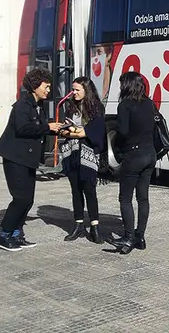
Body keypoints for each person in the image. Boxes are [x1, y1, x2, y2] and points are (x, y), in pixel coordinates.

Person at [0, 68, 62, 251]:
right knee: (21, 198)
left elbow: (40, 128)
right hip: (15, 158)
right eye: (46, 86)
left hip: (28, 159)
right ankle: (4, 237)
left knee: (28, 199)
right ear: (35, 86)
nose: (48, 90)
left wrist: (57, 129)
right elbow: (23, 128)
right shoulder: (22, 105)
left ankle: (17, 234)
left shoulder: (38, 105)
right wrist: (47, 127)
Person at [109, 71, 156, 254]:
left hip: (134, 155)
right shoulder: (149, 103)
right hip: (150, 153)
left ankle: (128, 237)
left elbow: (122, 132)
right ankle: (140, 236)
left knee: (125, 198)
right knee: (143, 198)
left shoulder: (125, 105)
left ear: (126, 86)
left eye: (122, 84)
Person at [58, 77, 107, 244]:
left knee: (89, 189)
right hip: (71, 153)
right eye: (73, 89)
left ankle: (94, 226)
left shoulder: (96, 108)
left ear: (87, 90)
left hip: (88, 154)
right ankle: (78, 224)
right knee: (76, 190)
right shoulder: (70, 107)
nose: (74, 93)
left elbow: (90, 132)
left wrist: (75, 132)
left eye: (77, 90)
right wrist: (75, 132)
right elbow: (63, 130)